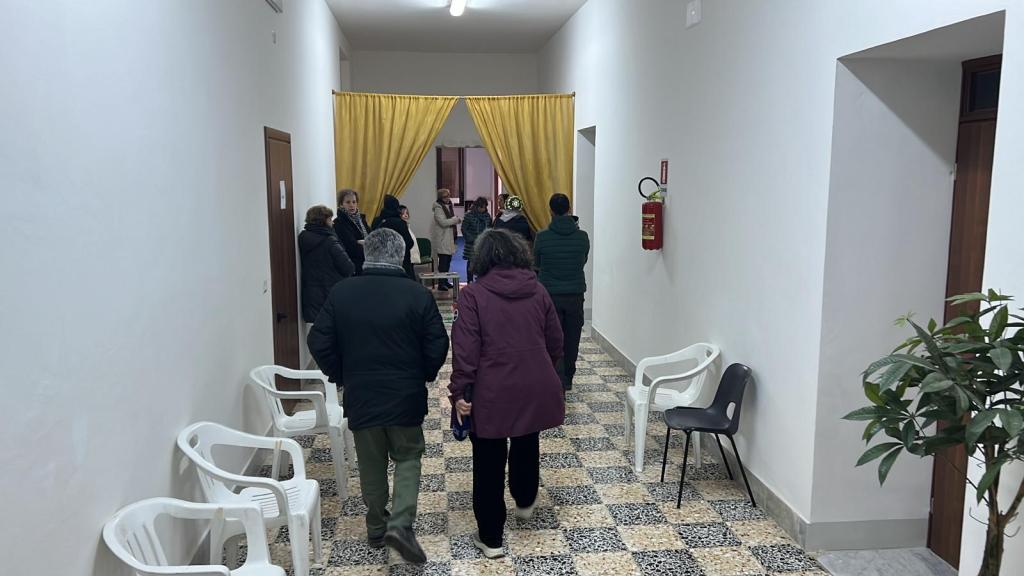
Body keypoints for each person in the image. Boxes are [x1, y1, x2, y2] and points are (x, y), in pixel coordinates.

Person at [308, 228, 449, 565]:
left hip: (362, 392)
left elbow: (318, 341)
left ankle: (375, 526)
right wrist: (424, 373)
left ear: (366, 253)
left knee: (371, 462)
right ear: (400, 256)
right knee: (408, 456)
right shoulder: (417, 295)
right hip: (405, 393)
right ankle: (400, 524)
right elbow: (438, 343)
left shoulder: (342, 292)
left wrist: (341, 374)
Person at [448, 229, 565, 559]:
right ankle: (525, 501)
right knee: (527, 440)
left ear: (482, 258)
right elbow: (556, 341)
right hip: (535, 384)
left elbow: (465, 350)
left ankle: (491, 538)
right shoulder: (538, 290)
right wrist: (539, 365)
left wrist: (460, 391)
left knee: (488, 458)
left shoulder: (473, 296)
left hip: (492, 389)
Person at [534, 193, 590, 391]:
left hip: (549, 295)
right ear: (569, 209)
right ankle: (568, 378)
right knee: (572, 337)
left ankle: (555, 377)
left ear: (550, 211)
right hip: (575, 294)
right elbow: (583, 260)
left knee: (552, 338)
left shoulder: (542, 237)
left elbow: (537, 264)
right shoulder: (582, 237)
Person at [298, 205, 354, 323]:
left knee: (319, 329)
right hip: (331, 294)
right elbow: (348, 268)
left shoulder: (303, 238)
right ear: (323, 221)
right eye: (330, 219)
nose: (333, 223)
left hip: (312, 295)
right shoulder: (330, 241)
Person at [371, 195, 416, 279]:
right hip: (400, 263)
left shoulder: (376, 221)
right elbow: (409, 242)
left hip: (380, 262)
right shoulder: (400, 222)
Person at [430, 188, 461, 290]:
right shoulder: (438, 208)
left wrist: (454, 220)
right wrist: (455, 220)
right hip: (442, 238)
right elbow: (443, 223)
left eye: (448, 196)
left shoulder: (449, 206)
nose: (448, 198)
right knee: (443, 262)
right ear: (440, 197)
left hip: (449, 238)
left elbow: (449, 220)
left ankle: (445, 281)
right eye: (445, 197)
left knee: (448, 261)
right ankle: (441, 283)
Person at [334, 189, 370, 274]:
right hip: (353, 265)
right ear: (341, 204)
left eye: (354, 202)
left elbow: (371, 237)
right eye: (348, 202)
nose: (351, 205)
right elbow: (350, 246)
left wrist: (362, 242)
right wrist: (366, 244)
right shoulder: (339, 223)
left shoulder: (361, 219)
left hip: (367, 262)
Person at [461, 197, 492, 282]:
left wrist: (487, 238)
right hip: (472, 243)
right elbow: (464, 229)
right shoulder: (469, 215)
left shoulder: (487, 216)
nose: (483, 209)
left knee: (483, 262)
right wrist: (471, 238)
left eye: (485, 207)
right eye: (481, 207)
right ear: (477, 206)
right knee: (471, 262)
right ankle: (469, 280)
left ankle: (481, 281)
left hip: (484, 243)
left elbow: (490, 228)